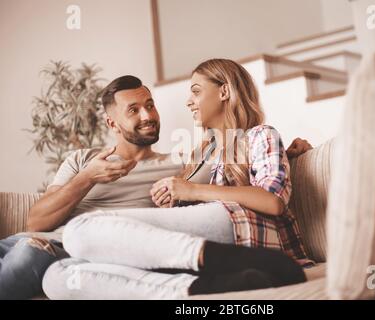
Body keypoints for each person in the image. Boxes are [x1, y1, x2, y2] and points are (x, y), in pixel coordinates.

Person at [42, 59, 314, 300]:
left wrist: (192, 190)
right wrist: (176, 198)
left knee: (79, 230)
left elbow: (274, 200)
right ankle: (200, 288)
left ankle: (233, 259)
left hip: (240, 226)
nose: (188, 101)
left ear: (224, 91)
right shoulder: (205, 152)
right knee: (58, 276)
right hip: (207, 238)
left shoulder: (259, 134)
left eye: (196, 91)